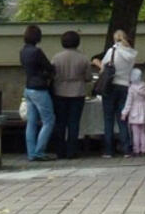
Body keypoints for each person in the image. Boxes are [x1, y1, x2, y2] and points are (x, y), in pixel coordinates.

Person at [92, 30, 136, 158]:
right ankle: (127, 149)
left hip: (111, 86)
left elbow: (104, 68)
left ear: (114, 39)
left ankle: (108, 150)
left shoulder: (113, 51)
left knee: (108, 118)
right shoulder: (131, 53)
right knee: (122, 118)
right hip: (125, 86)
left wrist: (97, 62)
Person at [51, 31, 92, 159]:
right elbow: (88, 77)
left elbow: (52, 75)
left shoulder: (56, 58)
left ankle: (60, 150)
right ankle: (72, 151)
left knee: (61, 122)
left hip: (60, 91)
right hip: (77, 92)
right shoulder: (83, 58)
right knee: (74, 123)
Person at [20, 25, 56, 161]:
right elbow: (49, 67)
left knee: (31, 122)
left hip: (28, 88)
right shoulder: (37, 51)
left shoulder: (23, 51)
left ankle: (31, 153)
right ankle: (39, 151)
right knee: (49, 120)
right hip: (39, 89)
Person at [121, 68, 145, 156]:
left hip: (134, 110)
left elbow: (129, 102)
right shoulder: (144, 86)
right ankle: (144, 149)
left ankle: (136, 149)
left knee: (135, 133)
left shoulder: (131, 89)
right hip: (144, 109)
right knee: (143, 132)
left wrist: (124, 113)